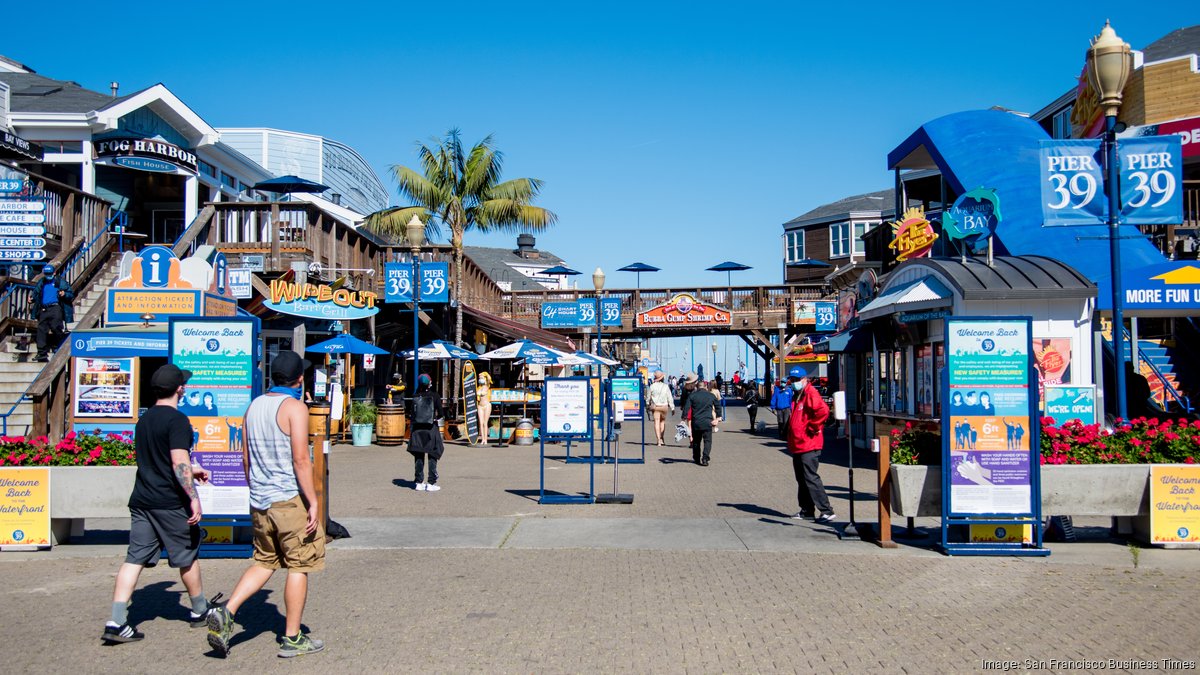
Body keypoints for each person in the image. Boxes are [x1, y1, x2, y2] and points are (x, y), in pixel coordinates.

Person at [207, 351, 326, 658]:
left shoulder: (254, 406)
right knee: (299, 565)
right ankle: (292, 636)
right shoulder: (294, 408)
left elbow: (244, 456)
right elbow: (301, 459)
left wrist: (255, 488)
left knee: (264, 561)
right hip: (288, 499)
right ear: (299, 379)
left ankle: (228, 611)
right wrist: (313, 501)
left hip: (260, 500)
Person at [103, 364, 217, 644]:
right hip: (169, 501)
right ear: (180, 389)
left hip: (142, 499)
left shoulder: (144, 420)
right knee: (187, 556)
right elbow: (178, 461)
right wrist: (193, 497)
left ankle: (116, 620)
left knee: (134, 558)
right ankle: (200, 610)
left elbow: (162, 459)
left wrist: (193, 469)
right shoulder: (177, 420)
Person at [785, 367, 834, 523]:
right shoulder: (797, 396)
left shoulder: (810, 393)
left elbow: (823, 411)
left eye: (797, 380)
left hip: (809, 444)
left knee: (811, 477)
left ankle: (826, 510)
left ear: (805, 379)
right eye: (792, 380)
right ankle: (807, 509)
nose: (794, 382)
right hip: (798, 444)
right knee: (801, 478)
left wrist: (813, 427)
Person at [408, 373, 445, 491]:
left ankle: (418, 482)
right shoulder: (435, 396)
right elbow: (442, 413)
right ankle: (431, 482)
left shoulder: (415, 396)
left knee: (419, 454)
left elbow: (411, 413)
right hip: (430, 428)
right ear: (429, 383)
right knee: (432, 454)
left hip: (417, 429)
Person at [33, 263, 74, 362]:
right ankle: (42, 353)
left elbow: (70, 294)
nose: (48, 275)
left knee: (56, 327)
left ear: (54, 273)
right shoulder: (42, 282)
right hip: (44, 308)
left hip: (56, 307)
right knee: (41, 329)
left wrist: (64, 294)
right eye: (46, 273)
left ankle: (58, 346)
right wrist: (32, 299)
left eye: (50, 273)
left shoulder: (60, 282)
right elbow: (36, 293)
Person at [682, 378, 720, 466]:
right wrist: (717, 418)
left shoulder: (692, 396)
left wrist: (683, 418)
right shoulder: (711, 396)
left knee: (696, 441)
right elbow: (718, 406)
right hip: (707, 422)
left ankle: (696, 457)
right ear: (706, 386)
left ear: (697, 387)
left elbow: (686, 408)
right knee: (707, 441)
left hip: (696, 422)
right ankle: (705, 458)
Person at [647, 370, 674, 445]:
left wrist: (647, 404)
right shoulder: (665, 386)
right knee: (662, 422)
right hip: (664, 406)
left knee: (656, 422)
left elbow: (648, 397)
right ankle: (662, 438)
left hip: (656, 407)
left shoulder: (652, 386)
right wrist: (672, 407)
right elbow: (670, 397)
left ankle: (658, 440)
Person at [476, 369, 493, 445]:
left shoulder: (487, 386)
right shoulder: (478, 388)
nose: (480, 379)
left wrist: (484, 374)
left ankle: (485, 439)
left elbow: (489, 378)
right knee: (481, 423)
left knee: (485, 423)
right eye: (479, 378)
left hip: (486, 405)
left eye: (482, 378)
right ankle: (482, 438)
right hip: (480, 405)